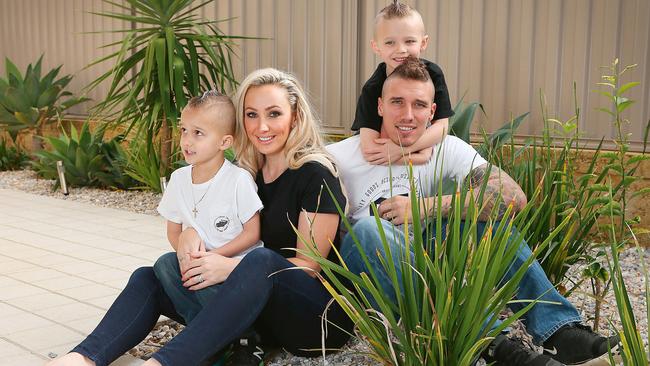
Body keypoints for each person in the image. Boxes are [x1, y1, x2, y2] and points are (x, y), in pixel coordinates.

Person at [46, 68, 352, 366]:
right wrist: (190, 235)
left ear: (295, 117)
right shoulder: (246, 173)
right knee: (150, 276)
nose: (262, 126)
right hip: (256, 314)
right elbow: (212, 229)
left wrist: (230, 268)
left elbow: (310, 266)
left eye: (274, 114)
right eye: (251, 114)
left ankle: (164, 363)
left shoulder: (315, 173)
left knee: (261, 261)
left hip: (315, 320)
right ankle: (84, 357)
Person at [327, 57, 621, 366]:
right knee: (368, 230)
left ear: (432, 111)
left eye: (419, 104)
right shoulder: (341, 156)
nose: (408, 115)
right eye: (397, 102)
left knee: (485, 219)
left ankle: (560, 334)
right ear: (380, 106)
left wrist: (424, 207)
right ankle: (500, 348)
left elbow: (512, 198)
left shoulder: (448, 149)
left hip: (436, 275)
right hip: (379, 286)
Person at [154, 91, 263, 324]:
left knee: (203, 279)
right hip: (200, 266)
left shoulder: (238, 180)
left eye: (198, 133)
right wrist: (187, 258)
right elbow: (173, 231)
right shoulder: (179, 179)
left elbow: (252, 233)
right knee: (164, 264)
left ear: (224, 142)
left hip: (234, 268)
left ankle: (236, 331)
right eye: (184, 130)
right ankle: (200, 325)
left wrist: (212, 258)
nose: (187, 140)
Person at [354, 1, 453, 166]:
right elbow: (371, 150)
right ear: (376, 46)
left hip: (404, 146)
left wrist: (401, 150)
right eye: (390, 42)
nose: (401, 49)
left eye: (409, 41)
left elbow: (442, 126)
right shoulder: (372, 88)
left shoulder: (433, 75)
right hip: (378, 167)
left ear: (423, 43)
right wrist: (418, 156)